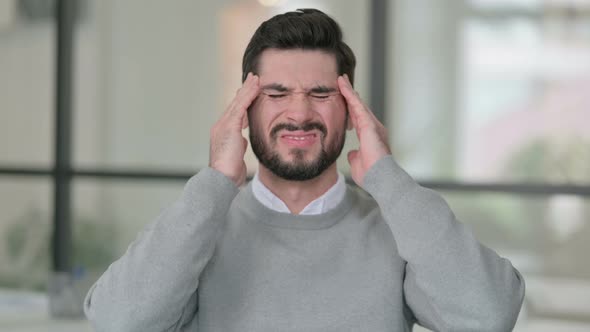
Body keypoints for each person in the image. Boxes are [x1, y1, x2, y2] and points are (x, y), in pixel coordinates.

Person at [84, 8, 525, 332]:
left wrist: (388, 178)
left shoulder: (399, 230)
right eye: (276, 94)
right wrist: (215, 183)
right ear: (245, 110)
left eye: (320, 93)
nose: (299, 112)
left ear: (352, 112)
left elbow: (488, 316)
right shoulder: (200, 228)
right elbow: (117, 322)